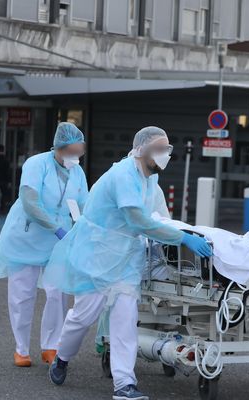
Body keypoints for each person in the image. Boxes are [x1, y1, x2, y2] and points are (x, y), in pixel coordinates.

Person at [44, 126, 212, 400]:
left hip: (126, 259)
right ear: (141, 149)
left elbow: (158, 216)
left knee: (125, 320)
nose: (165, 154)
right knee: (83, 316)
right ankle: (62, 358)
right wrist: (181, 238)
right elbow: (138, 220)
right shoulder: (123, 175)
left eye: (168, 149)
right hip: (97, 255)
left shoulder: (149, 180)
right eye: (160, 149)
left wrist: (179, 234)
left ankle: (124, 384)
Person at [0, 122, 88, 368]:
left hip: (58, 243)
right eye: (72, 153)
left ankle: (51, 346)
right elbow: (30, 202)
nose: (76, 157)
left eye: (79, 153)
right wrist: (54, 227)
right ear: (60, 147)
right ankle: (21, 349)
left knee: (58, 294)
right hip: (26, 238)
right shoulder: (36, 164)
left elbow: (83, 205)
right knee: (22, 295)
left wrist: (82, 230)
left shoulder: (77, 172)